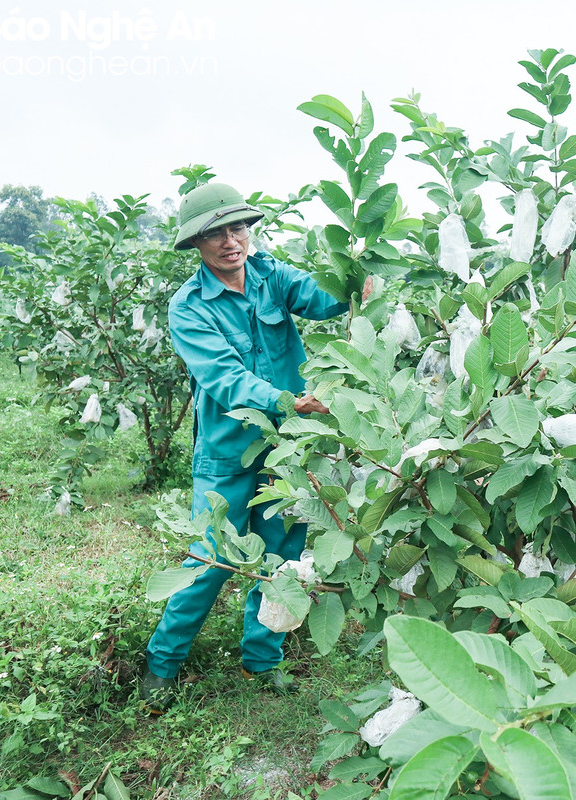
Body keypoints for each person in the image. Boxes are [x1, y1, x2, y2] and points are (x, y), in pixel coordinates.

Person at [139, 182, 365, 713]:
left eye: (237, 228)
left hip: (287, 447)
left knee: (281, 553)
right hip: (227, 451)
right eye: (214, 234)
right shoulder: (188, 307)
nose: (230, 242)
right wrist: (290, 401)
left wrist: (359, 273)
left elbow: (324, 299)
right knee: (210, 559)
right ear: (196, 243)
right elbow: (224, 378)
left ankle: (262, 660)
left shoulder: (272, 275)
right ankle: (161, 664)